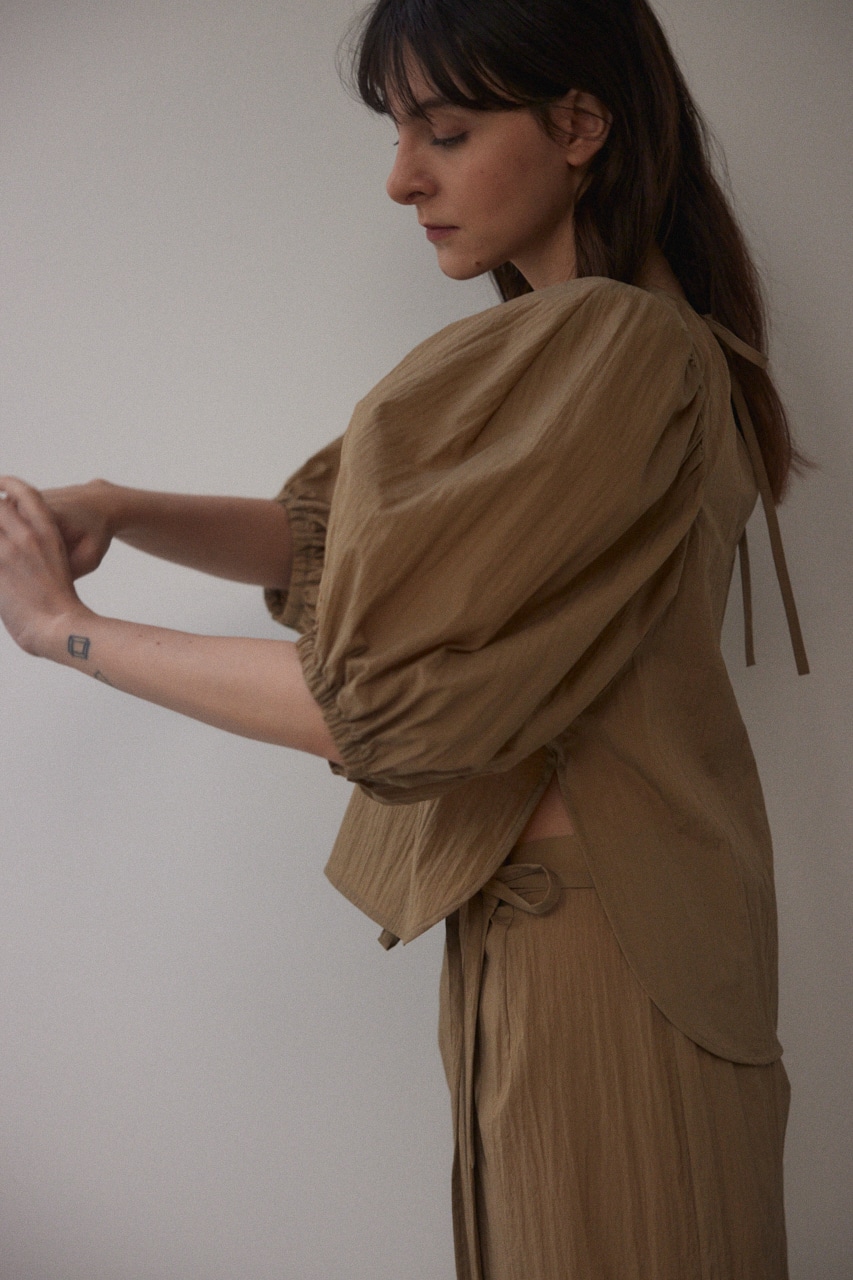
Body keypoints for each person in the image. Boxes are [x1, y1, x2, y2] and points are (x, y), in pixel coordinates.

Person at [0, 0, 809, 1276]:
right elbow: (326, 541)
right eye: (397, 132)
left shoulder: (615, 346)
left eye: (446, 131)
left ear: (579, 124)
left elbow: (374, 709)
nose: (401, 179)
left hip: (599, 949)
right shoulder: (613, 347)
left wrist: (67, 630)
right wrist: (121, 506)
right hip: (573, 929)